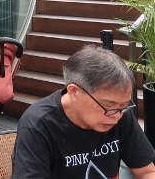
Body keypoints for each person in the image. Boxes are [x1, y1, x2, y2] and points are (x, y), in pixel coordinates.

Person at [12, 45, 155, 179]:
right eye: (108, 104)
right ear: (74, 91)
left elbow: (147, 172)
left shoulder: (119, 113)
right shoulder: (38, 126)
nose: (117, 116)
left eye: (124, 105)